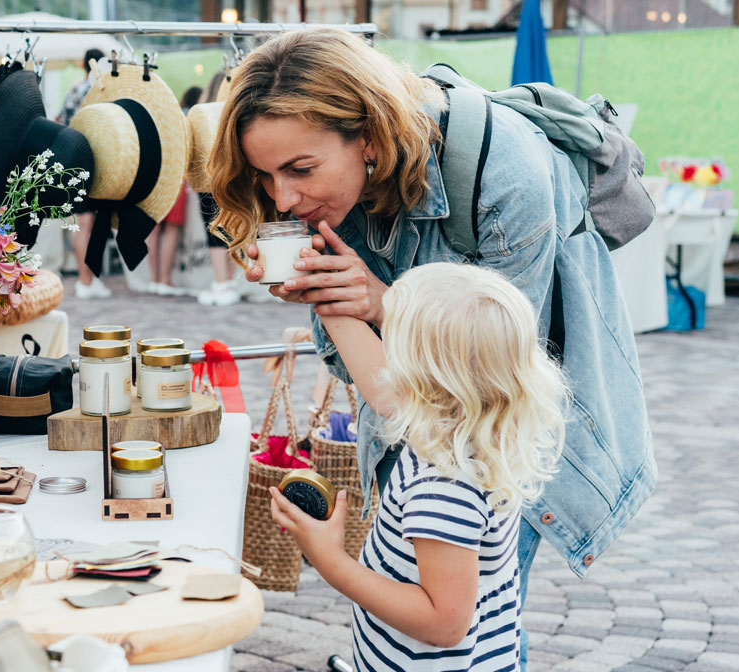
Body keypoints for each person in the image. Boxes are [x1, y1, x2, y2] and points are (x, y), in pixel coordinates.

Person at [208, 29, 655, 669]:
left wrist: (376, 299)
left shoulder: (506, 173)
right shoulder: (338, 199)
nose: (282, 199)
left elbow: (497, 353)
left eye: (299, 170)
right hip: (420, 438)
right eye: (265, 177)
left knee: (479, 619)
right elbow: (377, 381)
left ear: (367, 137)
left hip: (512, 440)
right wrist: (324, 294)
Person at [271, 262, 567, 671]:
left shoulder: (442, 485)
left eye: (390, 340)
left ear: (417, 377)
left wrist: (331, 561)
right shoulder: (464, 432)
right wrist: (326, 295)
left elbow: (444, 623)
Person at [58, 48, 109, 300]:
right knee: (94, 224)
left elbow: (60, 120)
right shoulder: (103, 89)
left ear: (83, 63)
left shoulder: (76, 89)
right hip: (100, 160)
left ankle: (85, 280)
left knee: (83, 224)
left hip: (74, 160)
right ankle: (89, 280)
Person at [143, 86, 203, 296]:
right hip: (175, 175)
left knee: (153, 229)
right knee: (171, 229)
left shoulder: (154, 119)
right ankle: (165, 280)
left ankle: (154, 279)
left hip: (151, 176)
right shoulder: (190, 118)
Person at [197, 71, 241, 307]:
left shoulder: (203, 114)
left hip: (206, 179)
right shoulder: (232, 112)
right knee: (230, 229)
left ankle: (221, 281)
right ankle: (227, 282)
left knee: (213, 231)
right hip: (231, 176)